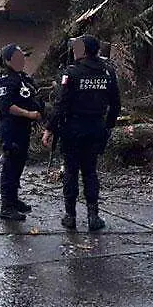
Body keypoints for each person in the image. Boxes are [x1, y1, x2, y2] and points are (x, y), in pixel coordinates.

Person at [41, 35, 121, 233]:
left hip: (73, 129)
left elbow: (61, 104)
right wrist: (108, 126)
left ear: (84, 51)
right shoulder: (108, 72)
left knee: (70, 171)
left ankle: (70, 216)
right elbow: (116, 104)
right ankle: (93, 216)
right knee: (90, 172)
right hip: (96, 128)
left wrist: (50, 128)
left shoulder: (72, 72)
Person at [0, 44, 44, 222]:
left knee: (19, 166)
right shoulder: (5, 81)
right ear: (8, 61)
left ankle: (14, 200)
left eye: (22, 57)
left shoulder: (23, 78)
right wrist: (29, 114)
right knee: (10, 168)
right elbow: (7, 106)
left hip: (24, 129)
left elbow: (31, 96)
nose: (21, 61)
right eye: (16, 58)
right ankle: (6, 207)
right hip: (11, 129)